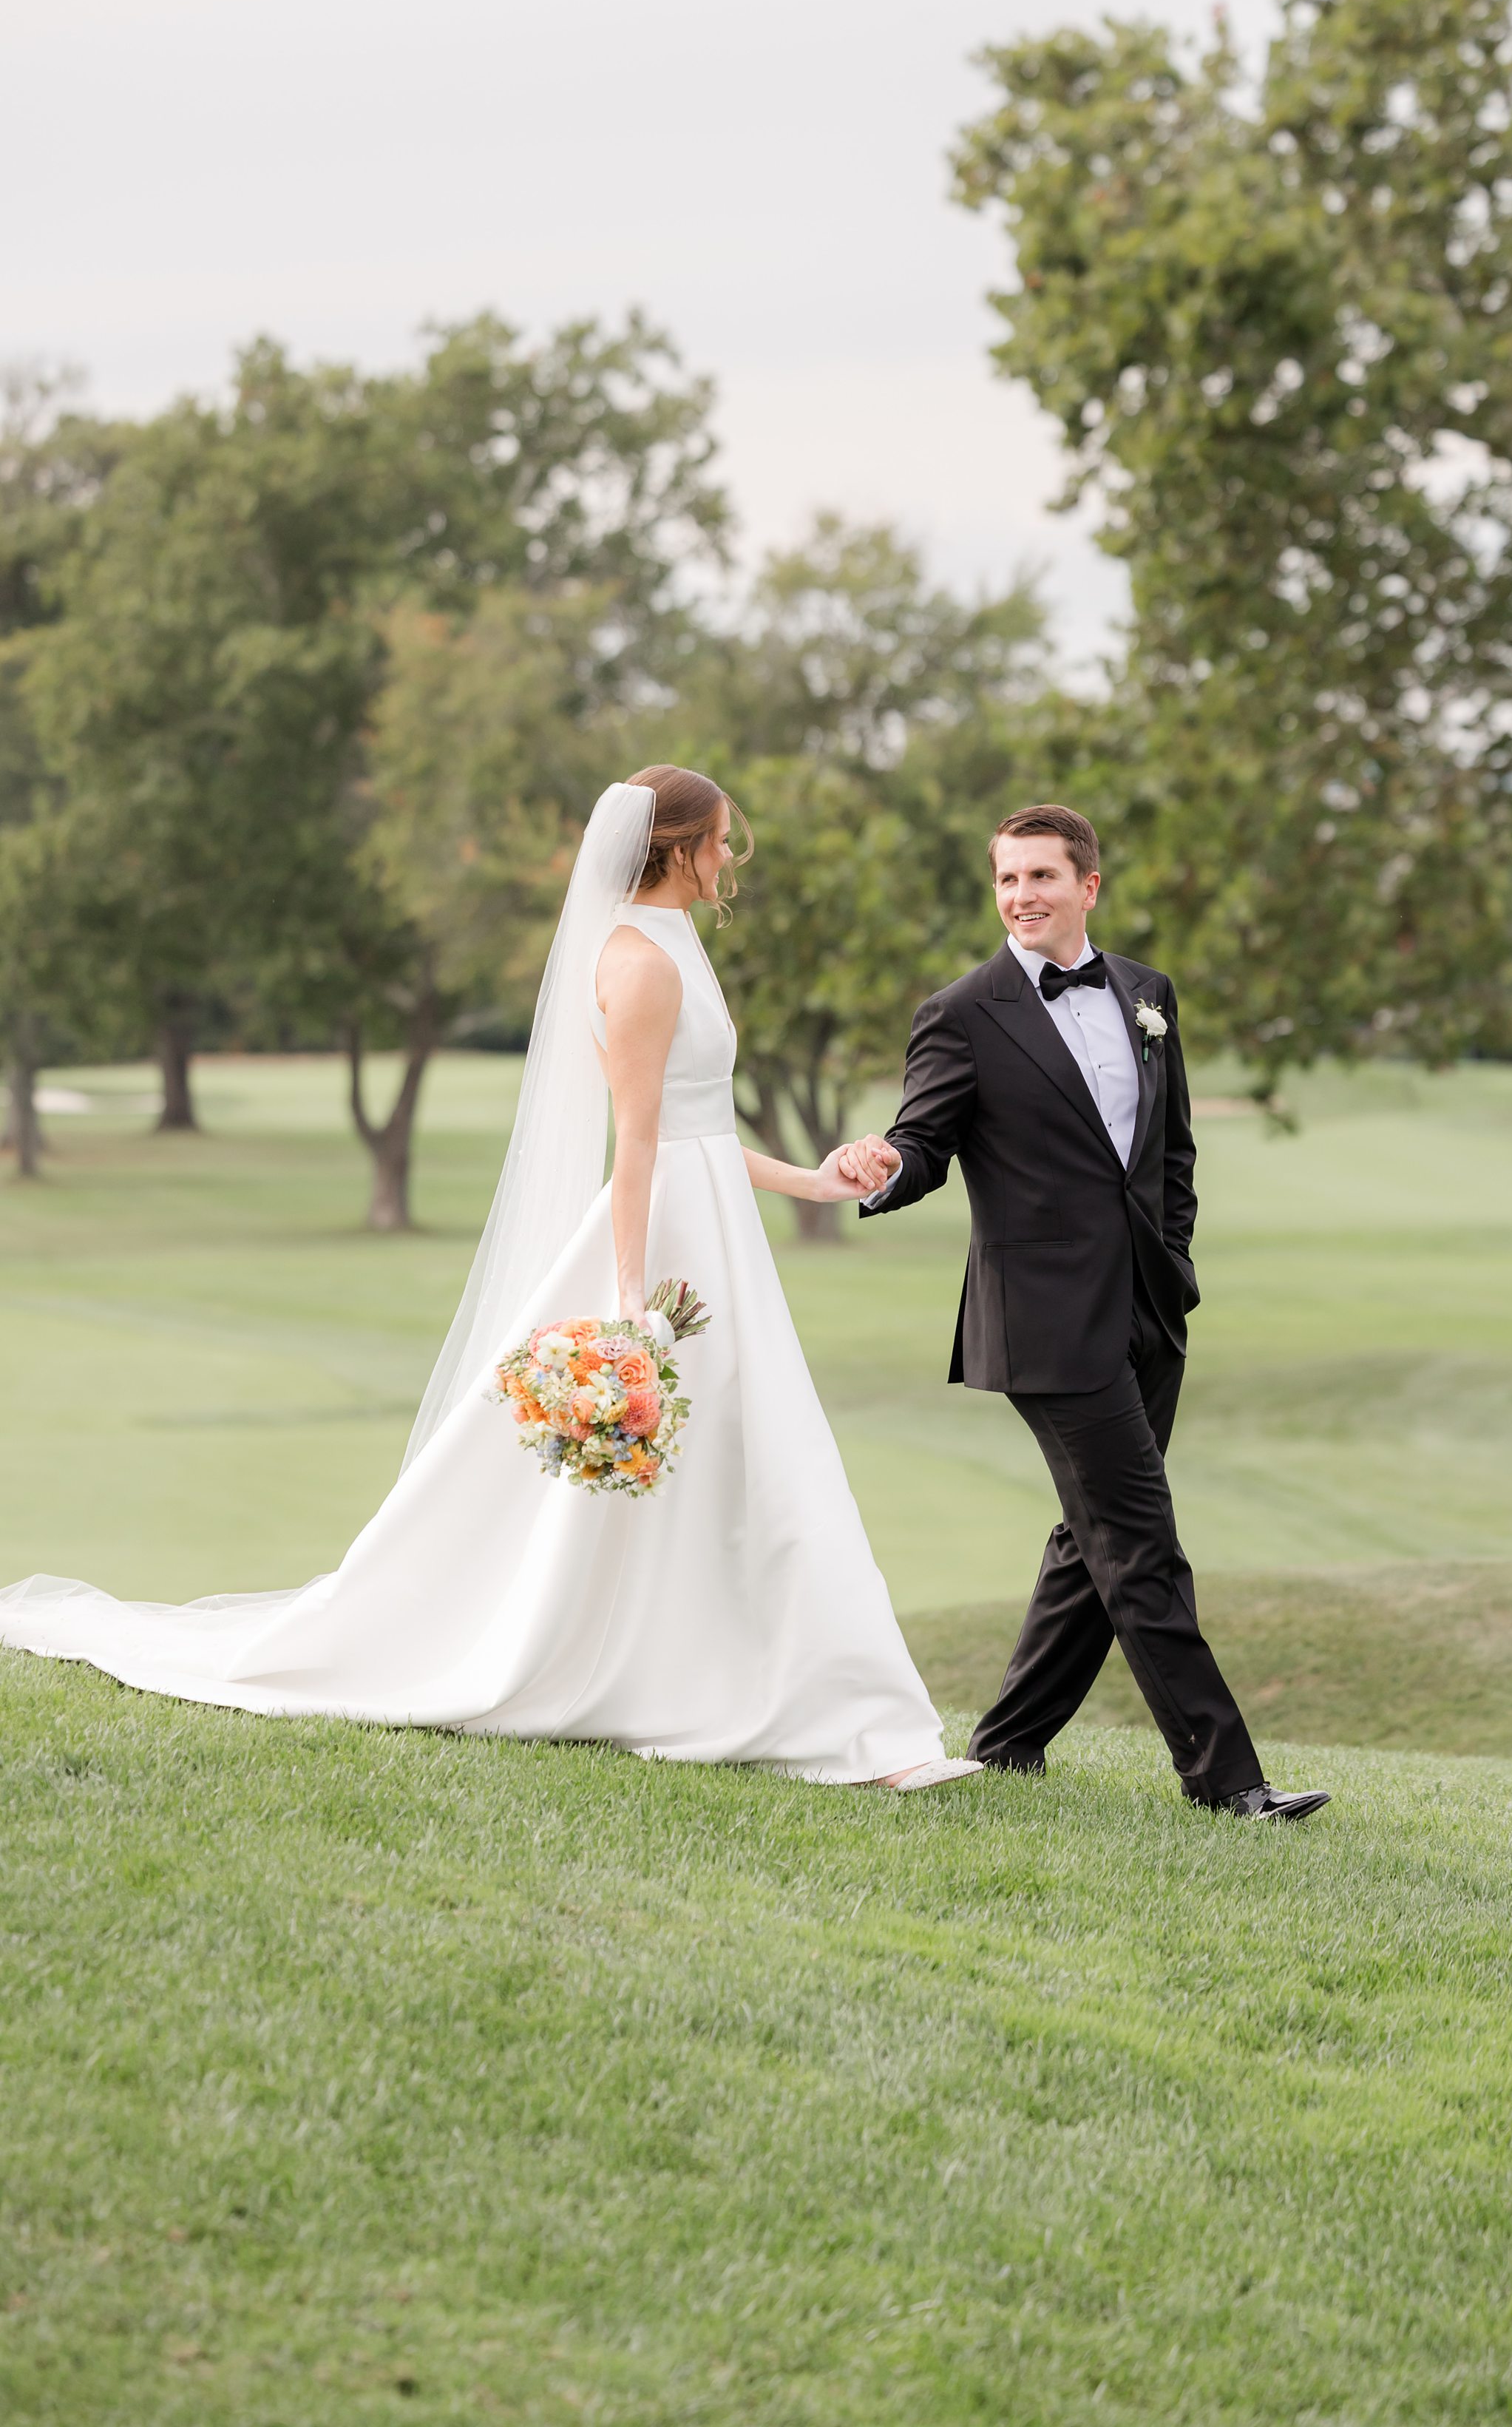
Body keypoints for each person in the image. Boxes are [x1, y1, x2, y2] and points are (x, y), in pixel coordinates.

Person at [0, 769, 979, 1793]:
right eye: (723, 841)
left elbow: (703, 1133)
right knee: (729, 1453)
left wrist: (813, 1183)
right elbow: (638, 1146)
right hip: (674, 1246)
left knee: (754, 1456)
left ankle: (801, 1700)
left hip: (716, 1224)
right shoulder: (641, 965)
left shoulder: (679, 947)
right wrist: (633, 1299)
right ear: (679, 846)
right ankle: (777, 1706)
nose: (732, 858)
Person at [839, 803, 1329, 1821]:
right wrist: (884, 1170)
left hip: (1150, 1310)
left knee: (1091, 1533)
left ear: (1088, 886)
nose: (1022, 897)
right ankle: (1227, 1781)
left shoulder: (1148, 994)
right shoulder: (963, 1011)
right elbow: (923, 1142)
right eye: (1008, 879)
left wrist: (1176, 1263)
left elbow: (1171, 1152)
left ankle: (1008, 1744)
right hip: (1046, 1325)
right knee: (1141, 1541)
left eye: (1042, 878)